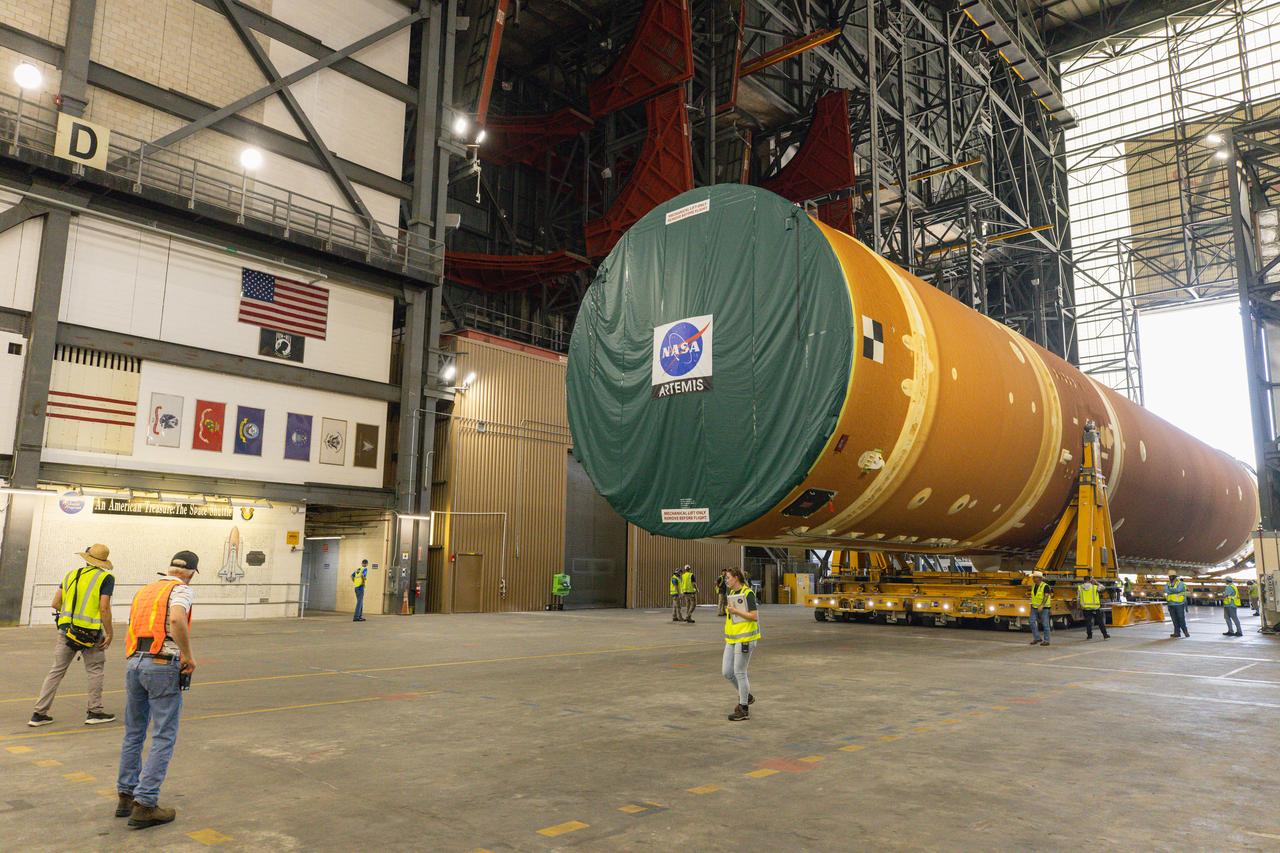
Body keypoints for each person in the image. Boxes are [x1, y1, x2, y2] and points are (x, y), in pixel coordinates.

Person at [117, 551, 199, 829]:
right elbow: (176, 620)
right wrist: (187, 655)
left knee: (134, 732)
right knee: (164, 734)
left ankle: (126, 796)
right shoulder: (182, 590)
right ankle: (146, 803)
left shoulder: (145, 591)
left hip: (134, 663)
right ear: (190, 573)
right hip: (162, 665)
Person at [29, 544, 117, 727]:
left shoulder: (70, 575)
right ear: (103, 562)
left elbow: (55, 603)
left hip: (66, 631)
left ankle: (38, 714)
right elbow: (103, 607)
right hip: (90, 633)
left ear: (86, 558)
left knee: (56, 671)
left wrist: (71, 613)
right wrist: (109, 632)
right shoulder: (106, 578)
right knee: (95, 671)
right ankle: (95, 711)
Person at [722, 567, 759, 721]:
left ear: (736, 577)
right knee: (727, 672)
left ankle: (743, 708)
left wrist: (736, 612)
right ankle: (747, 695)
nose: (726, 580)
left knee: (739, 672)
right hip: (732, 639)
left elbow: (754, 616)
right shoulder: (732, 593)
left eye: (728, 578)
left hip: (745, 639)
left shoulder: (748, 594)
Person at [1029, 571, 1052, 646]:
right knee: (1031, 621)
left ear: (1039, 578)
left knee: (1045, 624)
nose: (1033, 578)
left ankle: (1046, 640)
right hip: (1034, 607)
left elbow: (1046, 596)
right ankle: (1037, 638)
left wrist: (1042, 605)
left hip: (1044, 608)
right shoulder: (1033, 586)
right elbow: (1034, 597)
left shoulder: (1045, 586)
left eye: (1034, 577)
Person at [1166, 573, 1189, 638]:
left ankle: (1185, 632)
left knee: (1181, 619)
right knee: (1174, 620)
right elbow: (1166, 590)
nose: (1170, 577)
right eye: (1169, 576)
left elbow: (1178, 590)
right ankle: (1177, 633)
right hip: (1170, 604)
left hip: (1179, 604)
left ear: (1175, 577)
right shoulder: (1168, 584)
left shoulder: (1181, 584)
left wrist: (1171, 590)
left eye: (1172, 576)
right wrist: (1173, 591)